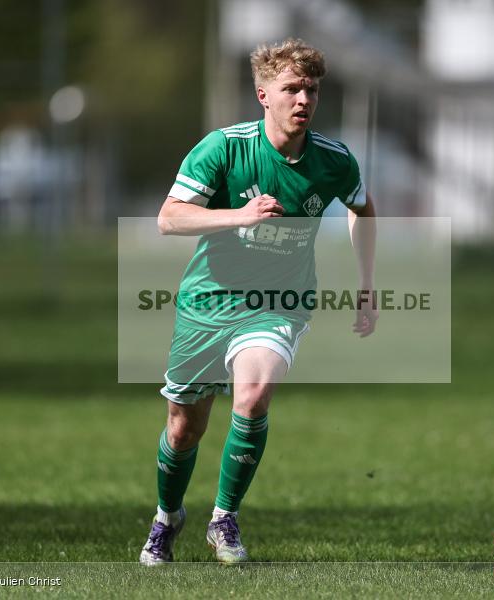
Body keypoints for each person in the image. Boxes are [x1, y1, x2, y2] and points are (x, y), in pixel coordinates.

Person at [139, 38, 377, 565]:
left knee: (253, 393)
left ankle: (224, 518)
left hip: (280, 302)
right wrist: (238, 216)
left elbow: (363, 207)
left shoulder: (333, 160)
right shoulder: (223, 148)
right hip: (208, 301)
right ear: (262, 94)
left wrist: (366, 284)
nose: (303, 99)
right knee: (184, 428)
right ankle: (166, 516)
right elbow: (169, 217)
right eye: (291, 88)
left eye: (311, 89)